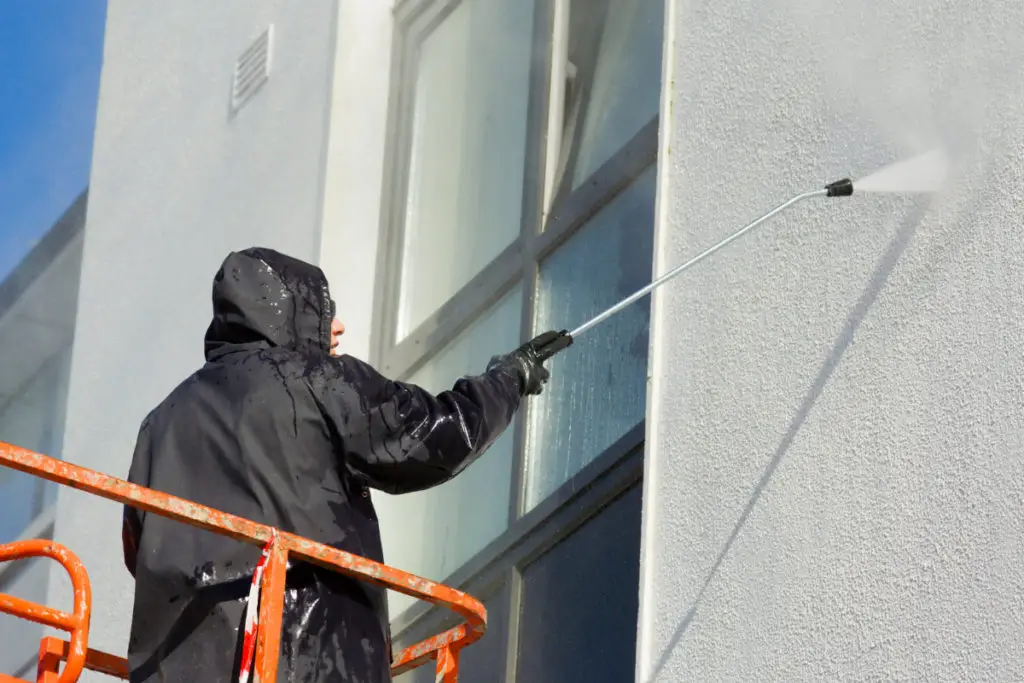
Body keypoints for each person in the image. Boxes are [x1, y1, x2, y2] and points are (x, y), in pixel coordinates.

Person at [120, 247, 571, 683]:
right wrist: (507, 380)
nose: (336, 327)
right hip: (308, 657)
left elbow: (138, 550)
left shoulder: (158, 424)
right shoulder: (313, 379)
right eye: (321, 310)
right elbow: (433, 437)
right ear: (289, 314)